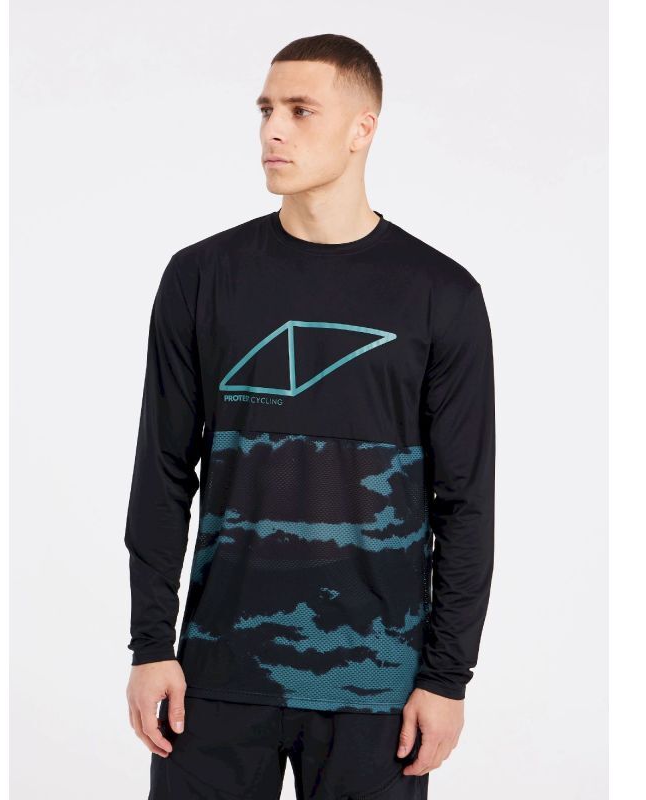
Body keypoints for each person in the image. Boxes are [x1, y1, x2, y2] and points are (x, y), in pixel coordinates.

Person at [124, 33, 495, 800]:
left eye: (300, 110)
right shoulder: (201, 278)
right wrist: (150, 643)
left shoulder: (441, 294)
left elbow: (465, 501)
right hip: (215, 676)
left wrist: (446, 677)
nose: (273, 130)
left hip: (377, 686)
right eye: (265, 110)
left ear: (363, 128)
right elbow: (162, 471)